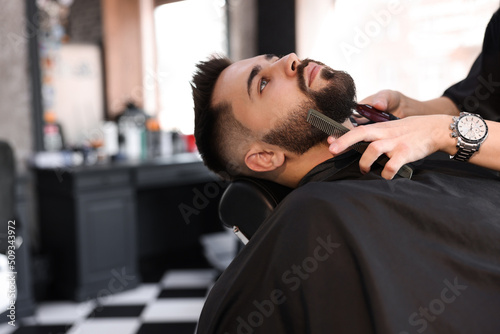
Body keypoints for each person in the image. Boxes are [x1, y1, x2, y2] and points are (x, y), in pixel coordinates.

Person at [191, 9, 500, 334]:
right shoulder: (317, 218)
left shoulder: (422, 144)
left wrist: (440, 127)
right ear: (265, 156)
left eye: (276, 57)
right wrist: (443, 125)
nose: (292, 59)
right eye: (263, 83)